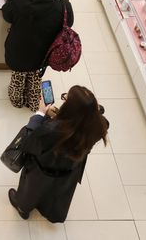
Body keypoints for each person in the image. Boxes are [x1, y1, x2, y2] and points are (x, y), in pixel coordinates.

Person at [8, 85, 109, 222]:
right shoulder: (100, 126)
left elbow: (30, 143)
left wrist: (40, 114)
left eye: (66, 99)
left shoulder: (53, 130)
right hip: (69, 170)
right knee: (57, 192)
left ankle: (23, 208)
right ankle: (50, 212)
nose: (64, 100)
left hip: (42, 168)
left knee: (31, 190)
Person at [1, 0, 73, 109]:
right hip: (44, 52)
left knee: (18, 74)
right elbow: (68, 23)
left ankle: (17, 100)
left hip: (19, 49)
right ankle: (34, 101)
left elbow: (7, 14)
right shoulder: (63, 4)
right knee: (35, 74)